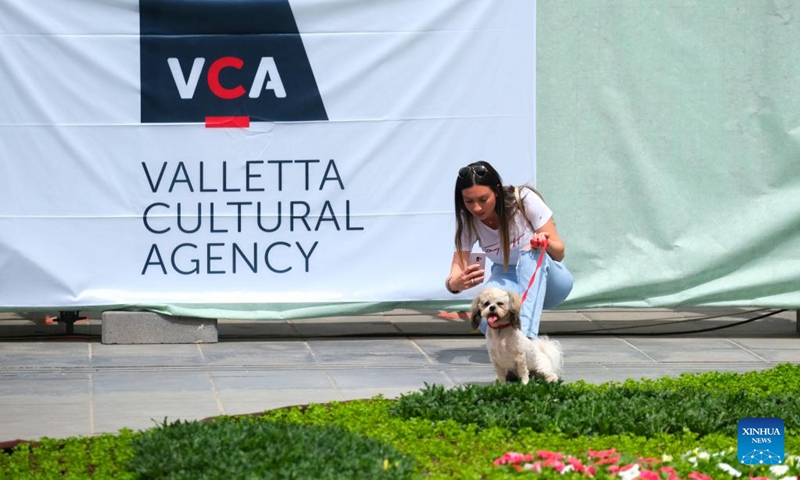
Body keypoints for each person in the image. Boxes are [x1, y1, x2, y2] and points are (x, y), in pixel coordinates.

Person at [445, 161, 574, 338]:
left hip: (552, 281)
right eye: (469, 201)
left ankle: (527, 338)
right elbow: (455, 271)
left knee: (531, 250)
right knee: (486, 319)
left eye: (483, 199)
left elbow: (559, 253)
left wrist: (544, 242)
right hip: (508, 277)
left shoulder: (524, 199)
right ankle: (513, 352)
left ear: (497, 190)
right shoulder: (468, 221)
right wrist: (455, 284)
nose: (477, 208)